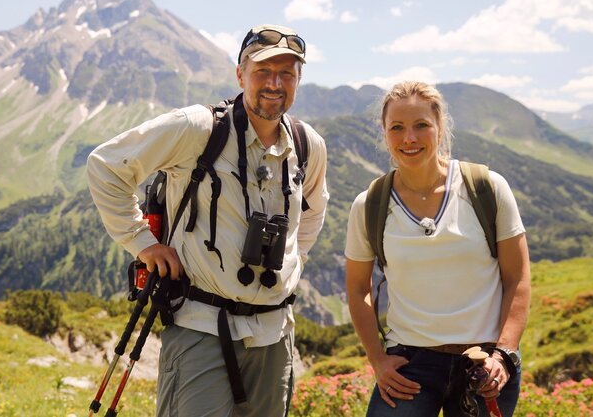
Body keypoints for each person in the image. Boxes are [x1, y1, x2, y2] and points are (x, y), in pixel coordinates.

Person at [87, 23, 329, 417]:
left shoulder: (307, 145)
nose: (275, 82)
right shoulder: (199, 128)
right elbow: (106, 165)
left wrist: (293, 260)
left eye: (287, 72)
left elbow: (313, 210)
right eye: (262, 71)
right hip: (202, 330)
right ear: (240, 74)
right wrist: (142, 242)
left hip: (274, 335)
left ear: (299, 79)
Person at [344, 81, 531, 416]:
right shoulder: (369, 204)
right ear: (385, 133)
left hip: (484, 363)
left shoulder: (487, 188)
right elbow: (359, 288)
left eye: (421, 126)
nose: (409, 138)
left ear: (440, 127)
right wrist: (378, 359)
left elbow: (517, 277)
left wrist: (504, 353)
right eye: (397, 128)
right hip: (410, 364)